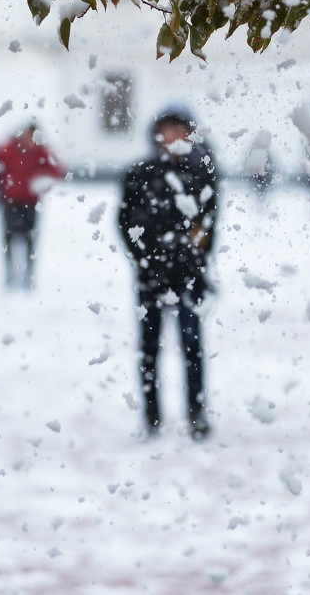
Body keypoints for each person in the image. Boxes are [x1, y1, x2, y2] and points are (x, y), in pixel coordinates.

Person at [118, 108, 219, 440]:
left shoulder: (202, 172)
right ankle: (151, 415)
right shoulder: (140, 173)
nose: (173, 137)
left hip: (189, 276)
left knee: (192, 347)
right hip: (151, 277)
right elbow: (125, 222)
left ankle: (196, 413)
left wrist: (195, 261)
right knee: (149, 349)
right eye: (167, 130)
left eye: (180, 130)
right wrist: (144, 261)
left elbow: (208, 224)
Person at [0, 123, 63, 290]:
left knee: (30, 241)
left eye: (34, 137)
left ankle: (29, 276)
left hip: (31, 204)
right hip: (10, 203)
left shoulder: (41, 151)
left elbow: (56, 169)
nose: (30, 141)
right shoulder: (8, 149)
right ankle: (10, 275)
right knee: (8, 239)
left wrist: (42, 178)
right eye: (28, 136)